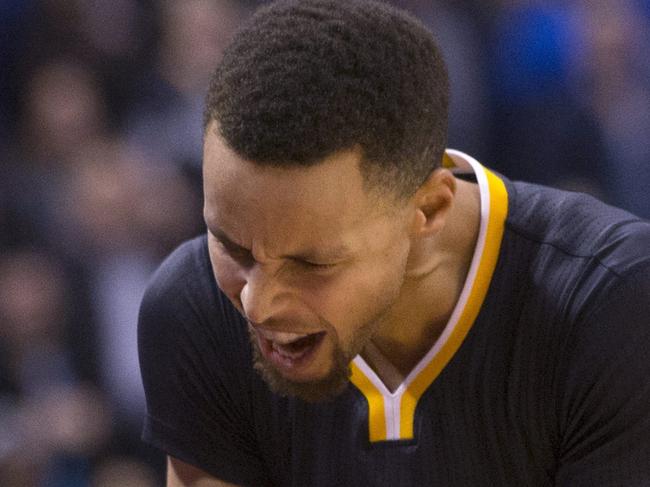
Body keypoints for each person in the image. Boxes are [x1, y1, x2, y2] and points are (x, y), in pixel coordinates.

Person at [137, 1, 650, 485]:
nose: (257, 302)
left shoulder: (615, 302)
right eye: (234, 248)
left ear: (428, 209)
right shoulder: (194, 308)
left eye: (311, 263)